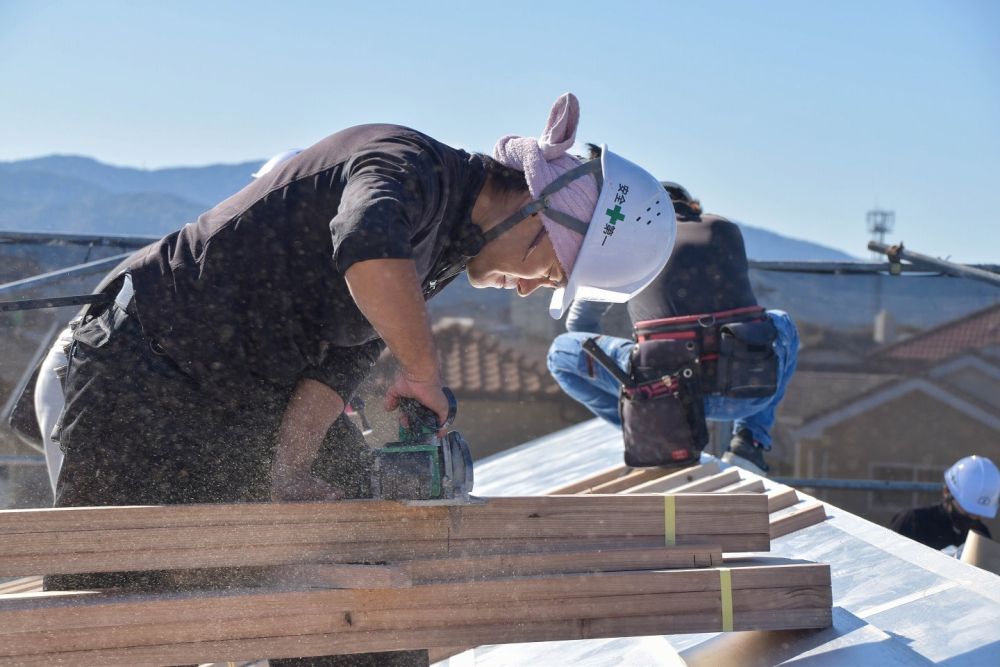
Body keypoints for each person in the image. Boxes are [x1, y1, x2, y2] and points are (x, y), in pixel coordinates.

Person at [41, 93, 676, 666]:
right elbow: (365, 243)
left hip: (242, 394)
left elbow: (340, 359)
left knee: (363, 569)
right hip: (146, 371)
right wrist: (422, 368)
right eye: (552, 272)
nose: (536, 287)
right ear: (538, 214)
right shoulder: (406, 162)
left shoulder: (445, 240)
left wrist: (290, 468)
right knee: (120, 615)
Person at [11, 149, 303, 498]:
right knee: (88, 513)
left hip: (137, 374)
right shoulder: (209, 251)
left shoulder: (267, 256)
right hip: (81, 367)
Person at [547, 174, 799, 474]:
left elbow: (580, 324)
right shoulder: (724, 229)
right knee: (781, 321)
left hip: (666, 395)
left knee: (561, 353)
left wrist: (631, 385)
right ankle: (750, 442)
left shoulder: (627, 244)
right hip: (747, 393)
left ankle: (653, 434)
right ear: (692, 207)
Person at [890, 455, 998, 551]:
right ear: (947, 491)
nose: (974, 518)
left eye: (979, 514)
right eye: (969, 511)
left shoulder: (980, 535)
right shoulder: (913, 522)